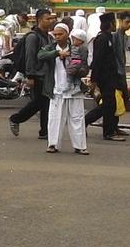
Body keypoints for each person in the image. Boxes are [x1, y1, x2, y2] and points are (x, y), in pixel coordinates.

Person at [9, 9, 56, 140]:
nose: (51, 21)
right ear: (40, 20)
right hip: (37, 74)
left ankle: (44, 131)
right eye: (48, 19)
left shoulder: (48, 36)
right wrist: (30, 76)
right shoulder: (32, 37)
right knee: (39, 102)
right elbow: (30, 57)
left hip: (47, 75)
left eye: (51, 18)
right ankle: (16, 118)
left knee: (44, 103)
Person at [86, 12, 130, 141]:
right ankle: (105, 130)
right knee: (108, 104)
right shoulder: (102, 38)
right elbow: (97, 60)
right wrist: (94, 80)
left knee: (110, 104)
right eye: (114, 22)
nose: (115, 25)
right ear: (110, 24)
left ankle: (108, 129)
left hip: (111, 76)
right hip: (104, 77)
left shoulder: (109, 37)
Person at [46, 25, 89, 155]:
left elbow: (85, 65)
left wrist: (80, 71)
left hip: (74, 90)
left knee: (77, 118)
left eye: (60, 34)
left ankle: (80, 146)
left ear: (67, 34)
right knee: (55, 118)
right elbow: (40, 55)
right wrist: (57, 53)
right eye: (55, 34)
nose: (57, 37)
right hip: (57, 89)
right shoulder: (51, 48)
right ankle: (53, 144)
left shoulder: (76, 47)